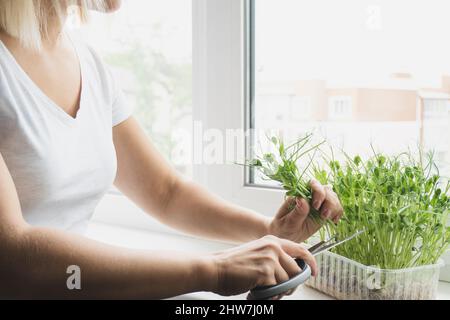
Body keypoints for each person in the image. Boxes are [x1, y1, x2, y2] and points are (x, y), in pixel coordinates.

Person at [0, 0, 343, 299]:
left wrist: (268, 231)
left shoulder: (87, 63)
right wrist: (216, 269)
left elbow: (166, 192)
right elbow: (15, 258)